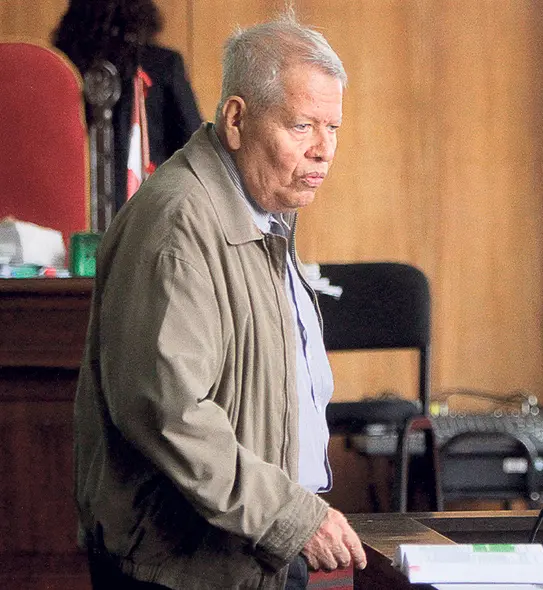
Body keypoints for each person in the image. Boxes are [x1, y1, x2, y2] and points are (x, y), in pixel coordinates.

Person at [73, 13, 365, 590]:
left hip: (247, 553)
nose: (324, 152)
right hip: (181, 568)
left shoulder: (263, 210)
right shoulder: (179, 224)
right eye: (303, 127)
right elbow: (170, 414)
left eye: (334, 128)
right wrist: (292, 517)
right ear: (236, 118)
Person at [53, 0, 202, 210]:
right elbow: (195, 148)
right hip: (148, 213)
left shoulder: (58, 67)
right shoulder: (163, 64)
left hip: (74, 209)